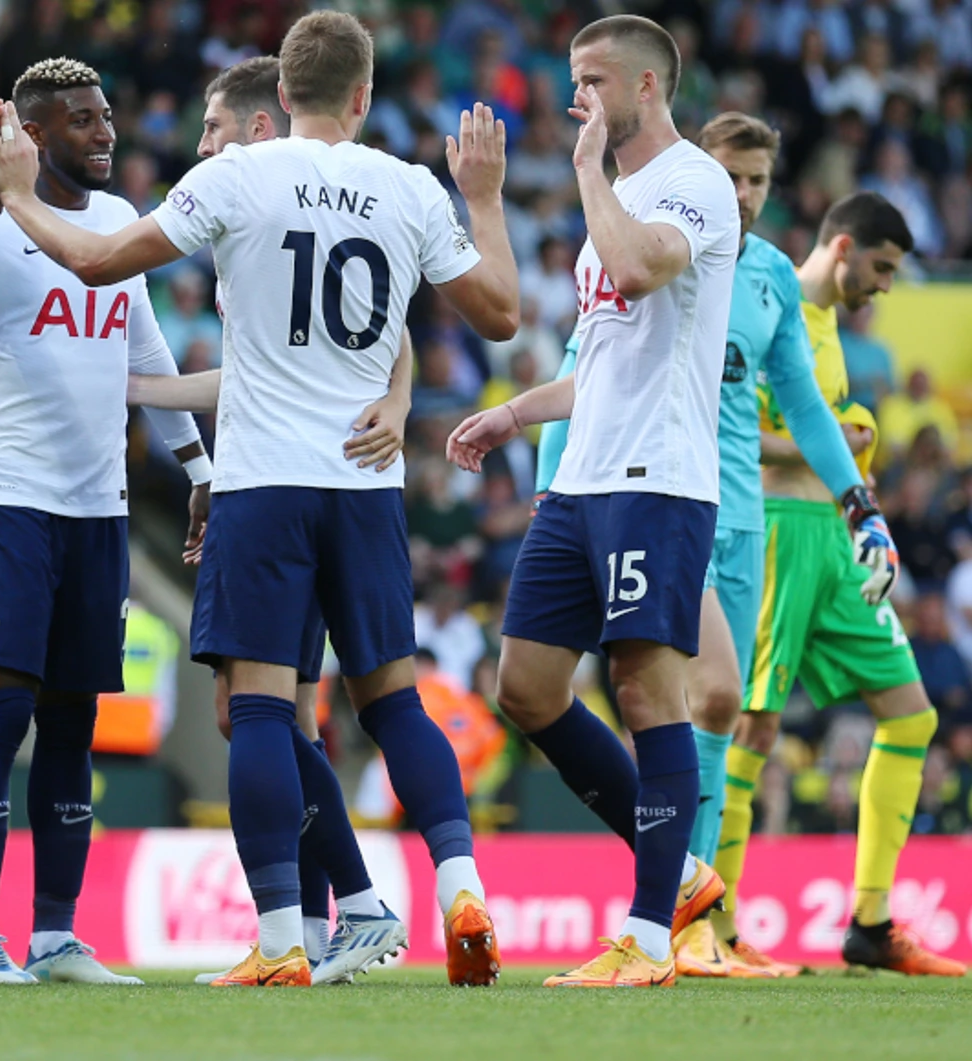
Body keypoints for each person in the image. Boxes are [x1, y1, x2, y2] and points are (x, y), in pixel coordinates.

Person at [531, 112, 883, 978]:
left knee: (721, 707)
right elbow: (590, 364)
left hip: (743, 517)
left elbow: (802, 401)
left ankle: (696, 918)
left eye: (760, 179)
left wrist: (859, 502)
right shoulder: (661, 240)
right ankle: (679, 900)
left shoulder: (769, 282)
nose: (746, 193)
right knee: (699, 695)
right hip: (660, 497)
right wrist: (550, 482)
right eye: (733, 174)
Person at [447, 15, 741, 987]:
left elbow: (637, 268)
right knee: (526, 686)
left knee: (647, 689)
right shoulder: (621, 192)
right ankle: (685, 873)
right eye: (573, 78)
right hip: (579, 481)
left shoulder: (694, 184)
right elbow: (599, 361)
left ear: (648, 86)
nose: (576, 96)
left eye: (593, 79)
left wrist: (585, 174)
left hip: (657, 479)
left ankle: (650, 939)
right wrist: (513, 412)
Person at [0, 57, 211, 986]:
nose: (105, 133)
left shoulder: (120, 225)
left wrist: (197, 463)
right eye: (82, 120)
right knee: (0, 712)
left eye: (107, 116)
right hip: (6, 498)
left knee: (75, 721)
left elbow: (146, 351)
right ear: (34, 135)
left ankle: (56, 934)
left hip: (98, 512)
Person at [129, 54, 413, 987]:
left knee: (259, 709)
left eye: (212, 129)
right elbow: (375, 334)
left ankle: (304, 924)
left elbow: (379, 339)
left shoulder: (248, 190)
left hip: (278, 494)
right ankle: (356, 908)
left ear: (262, 123)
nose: (200, 147)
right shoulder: (323, 207)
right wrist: (146, 390)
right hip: (333, 492)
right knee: (270, 713)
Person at [714, 191, 964, 978]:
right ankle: (711, 926)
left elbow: (834, 423)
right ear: (846, 247)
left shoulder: (828, 330)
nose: (886, 286)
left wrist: (859, 441)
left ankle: (871, 920)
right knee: (750, 728)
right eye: (882, 268)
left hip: (834, 542)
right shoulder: (768, 298)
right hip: (779, 533)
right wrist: (829, 442)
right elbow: (732, 429)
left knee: (912, 714)